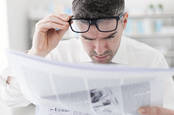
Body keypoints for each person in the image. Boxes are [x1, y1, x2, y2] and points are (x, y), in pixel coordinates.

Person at [1, 0, 174, 115]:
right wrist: (36, 54)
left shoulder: (150, 60)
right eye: (88, 39)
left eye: (109, 37)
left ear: (125, 22)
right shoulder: (54, 55)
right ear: (75, 26)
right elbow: (9, 99)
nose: (99, 50)